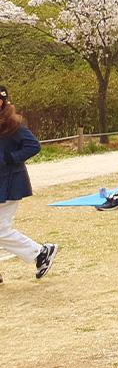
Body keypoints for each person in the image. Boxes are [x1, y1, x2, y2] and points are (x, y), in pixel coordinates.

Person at [0, 86, 57, 278]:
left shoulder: (12, 124)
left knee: (1, 230)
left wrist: (11, 158)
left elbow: (33, 145)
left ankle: (40, 252)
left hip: (9, 182)